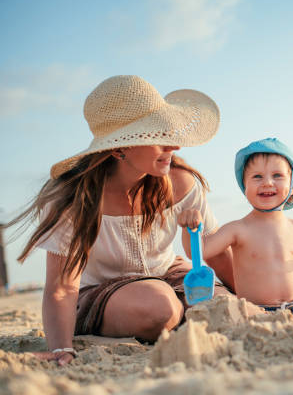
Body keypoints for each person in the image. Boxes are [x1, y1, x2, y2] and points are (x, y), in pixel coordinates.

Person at [4, 75, 235, 366]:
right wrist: (62, 347)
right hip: (101, 291)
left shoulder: (180, 181)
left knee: (225, 307)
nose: (173, 146)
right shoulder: (73, 198)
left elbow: (218, 252)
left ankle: (181, 315)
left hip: (168, 272)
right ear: (119, 148)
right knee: (161, 308)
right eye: (157, 136)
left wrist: (249, 303)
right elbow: (62, 287)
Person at [178, 138, 293, 319]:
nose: (267, 182)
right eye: (257, 177)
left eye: (277, 176)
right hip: (258, 311)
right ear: (245, 186)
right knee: (240, 311)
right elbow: (200, 251)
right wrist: (190, 228)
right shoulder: (238, 229)